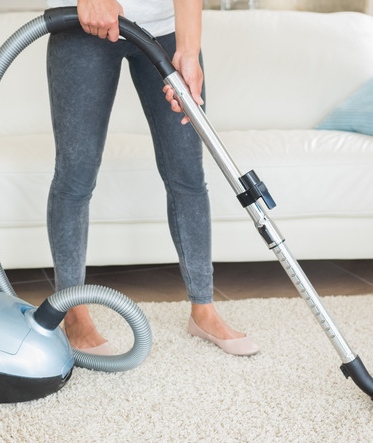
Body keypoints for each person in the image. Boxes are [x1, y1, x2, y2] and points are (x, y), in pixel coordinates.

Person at [46, 0, 259, 356]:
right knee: (76, 177)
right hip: (84, 22)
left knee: (187, 173)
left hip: (165, 28)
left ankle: (203, 310)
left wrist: (189, 51)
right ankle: (72, 313)